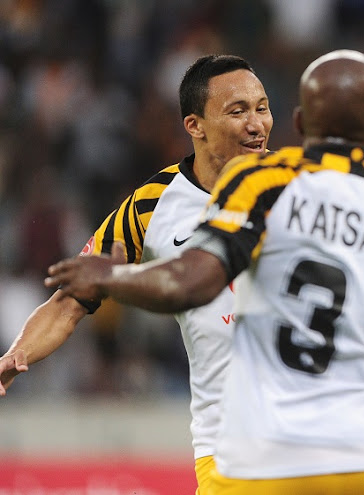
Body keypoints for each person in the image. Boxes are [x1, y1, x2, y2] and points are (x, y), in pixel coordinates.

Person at [44, 49, 364, 495]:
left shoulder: (261, 182)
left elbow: (193, 283)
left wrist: (112, 280)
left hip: (268, 457)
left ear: (301, 124)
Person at [0, 54, 273, 493]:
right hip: (227, 447)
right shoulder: (151, 204)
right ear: (195, 125)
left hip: (312, 433)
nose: (257, 124)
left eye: (262, 107)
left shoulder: (303, 183)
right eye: (237, 111)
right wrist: (12, 359)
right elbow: (70, 300)